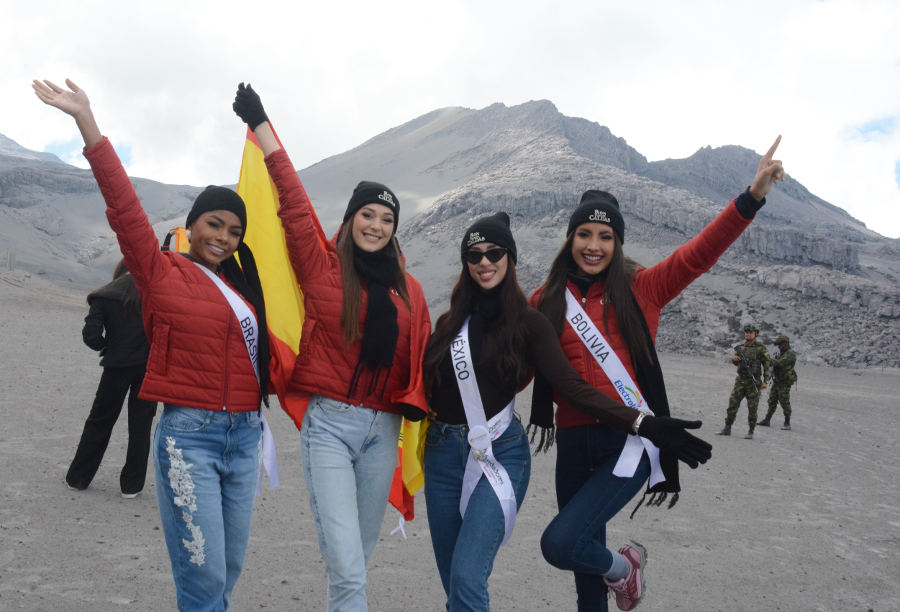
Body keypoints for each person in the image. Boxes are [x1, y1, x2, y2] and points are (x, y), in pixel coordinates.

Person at [34, 78, 273, 611]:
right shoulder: (161, 272)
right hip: (190, 438)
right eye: (214, 224)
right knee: (203, 578)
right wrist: (87, 123)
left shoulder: (244, 290)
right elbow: (124, 210)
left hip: (244, 438)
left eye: (235, 231)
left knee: (226, 572)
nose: (224, 237)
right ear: (191, 226)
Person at [532, 136, 785, 611]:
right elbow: (513, 361)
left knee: (561, 543)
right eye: (584, 234)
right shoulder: (542, 302)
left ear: (617, 243)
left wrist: (751, 198)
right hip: (573, 442)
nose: (593, 246)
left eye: (605, 236)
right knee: (584, 573)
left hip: (629, 441)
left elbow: (698, 254)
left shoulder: (644, 288)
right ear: (570, 239)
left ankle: (624, 568)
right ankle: (615, 573)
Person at [422, 212, 712, 612]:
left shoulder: (532, 320)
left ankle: (624, 568)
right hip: (447, 453)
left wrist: (643, 422)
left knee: (479, 575)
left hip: (508, 449)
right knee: (456, 584)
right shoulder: (450, 323)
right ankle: (618, 572)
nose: (484, 261)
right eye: (474, 254)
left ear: (510, 257)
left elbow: (571, 386)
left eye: (494, 252)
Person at [232, 83, 432, 612]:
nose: (377, 225)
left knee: (355, 563)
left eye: (387, 220)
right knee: (347, 567)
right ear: (351, 219)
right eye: (368, 214)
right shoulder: (322, 269)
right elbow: (294, 207)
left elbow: (423, 362)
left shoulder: (409, 292)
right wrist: (262, 126)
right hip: (330, 429)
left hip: (383, 431)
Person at [66, 259, 157, 498]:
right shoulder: (154, 294)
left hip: (115, 367)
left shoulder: (103, 295)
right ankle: (131, 486)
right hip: (148, 369)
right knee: (140, 427)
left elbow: (91, 336)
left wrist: (108, 346)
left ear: (119, 271)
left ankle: (78, 478)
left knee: (99, 422)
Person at [720, 323, 772, 439]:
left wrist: (765, 381)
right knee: (732, 403)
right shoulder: (741, 347)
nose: (748, 334)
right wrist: (734, 359)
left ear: (755, 334)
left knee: (752, 407)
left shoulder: (761, 348)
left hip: (753, 382)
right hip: (741, 380)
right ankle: (727, 428)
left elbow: (767, 365)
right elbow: (736, 361)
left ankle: (751, 430)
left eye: (750, 332)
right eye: (746, 332)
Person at [759, 334, 797, 430]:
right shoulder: (780, 354)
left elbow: (780, 363)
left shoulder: (791, 354)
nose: (779, 347)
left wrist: (767, 358)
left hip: (785, 382)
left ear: (786, 344)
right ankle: (767, 419)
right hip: (777, 380)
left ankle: (787, 422)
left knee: (784, 401)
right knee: (772, 400)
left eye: (780, 345)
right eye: (778, 345)